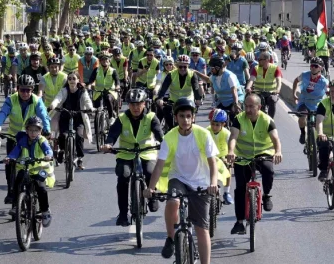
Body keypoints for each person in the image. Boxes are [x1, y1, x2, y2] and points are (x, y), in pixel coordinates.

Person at [147, 98, 219, 264]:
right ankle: (171, 238)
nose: (185, 120)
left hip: (201, 181)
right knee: (172, 202)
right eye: (181, 116)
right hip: (178, 178)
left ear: (193, 117)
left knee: (202, 229)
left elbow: (212, 162)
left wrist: (213, 183)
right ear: (176, 117)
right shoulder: (170, 137)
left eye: (188, 116)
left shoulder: (203, 134)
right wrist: (150, 188)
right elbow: (159, 165)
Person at [105, 87, 164, 226]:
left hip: (146, 151)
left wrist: (163, 143)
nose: (136, 107)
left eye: (138, 104)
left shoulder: (151, 117)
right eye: (132, 104)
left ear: (144, 104)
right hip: (126, 153)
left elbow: (159, 134)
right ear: (128, 105)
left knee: (150, 172)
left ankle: (152, 196)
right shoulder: (122, 118)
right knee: (123, 177)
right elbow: (112, 134)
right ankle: (123, 214)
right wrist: (108, 144)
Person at [226, 93, 283, 234]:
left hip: (263, 154)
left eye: (251, 106)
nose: (248, 109)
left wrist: (277, 152)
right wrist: (231, 151)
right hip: (243, 156)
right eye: (246, 106)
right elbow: (233, 137)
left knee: (268, 170)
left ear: (259, 107)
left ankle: (267, 195)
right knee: (240, 189)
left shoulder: (267, 120)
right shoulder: (239, 119)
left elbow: (276, 139)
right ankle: (239, 222)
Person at [0, 74, 52, 203]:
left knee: (32, 163)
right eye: (22, 90)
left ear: (32, 90)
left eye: (28, 90)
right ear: (17, 89)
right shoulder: (11, 99)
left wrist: (47, 129)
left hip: (31, 138)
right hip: (14, 137)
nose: (25, 93)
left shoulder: (36, 100)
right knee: (11, 165)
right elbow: (3, 113)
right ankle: (11, 192)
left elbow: (43, 115)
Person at [5, 117, 54, 226]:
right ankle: (16, 205)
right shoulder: (22, 140)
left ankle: (45, 211)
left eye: (36, 130)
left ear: (40, 131)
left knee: (41, 188)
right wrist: (9, 157)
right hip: (25, 168)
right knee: (17, 183)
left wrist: (48, 155)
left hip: (39, 170)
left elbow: (48, 150)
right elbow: (16, 151)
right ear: (26, 131)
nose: (33, 133)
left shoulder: (42, 140)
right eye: (30, 130)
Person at [48, 71, 93, 170]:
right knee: (63, 135)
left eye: (74, 78)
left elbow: (87, 100)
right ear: (67, 81)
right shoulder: (64, 90)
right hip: (65, 116)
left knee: (79, 136)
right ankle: (62, 151)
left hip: (78, 117)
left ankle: (80, 158)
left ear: (78, 80)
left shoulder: (82, 91)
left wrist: (90, 107)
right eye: (70, 79)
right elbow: (58, 98)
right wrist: (53, 105)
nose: (72, 80)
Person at [155, 55, 205, 127]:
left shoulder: (192, 74)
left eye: (185, 67)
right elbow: (163, 88)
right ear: (177, 66)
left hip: (188, 101)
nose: (182, 69)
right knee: (167, 113)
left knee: (191, 121)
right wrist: (160, 98)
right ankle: (170, 129)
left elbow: (196, 88)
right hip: (174, 101)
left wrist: (198, 99)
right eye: (180, 67)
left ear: (188, 65)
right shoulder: (171, 74)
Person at [292, 58, 328, 145]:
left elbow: (329, 93)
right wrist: (294, 94)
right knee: (302, 116)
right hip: (304, 101)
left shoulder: (324, 81)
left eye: (316, 66)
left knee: (318, 123)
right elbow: (296, 81)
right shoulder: (304, 75)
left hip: (317, 104)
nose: (313, 68)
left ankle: (316, 141)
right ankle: (303, 133)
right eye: (312, 65)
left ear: (321, 68)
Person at [208, 110, 233, 205]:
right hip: (210, 156)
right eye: (212, 124)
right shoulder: (206, 132)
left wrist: (230, 157)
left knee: (228, 169)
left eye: (217, 125)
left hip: (223, 156)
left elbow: (231, 147)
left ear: (223, 124)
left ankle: (226, 192)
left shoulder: (227, 134)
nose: (214, 127)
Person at [248, 50, 281, 117]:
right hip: (259, 93)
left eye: (260, 59)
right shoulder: (256, 68)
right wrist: (248, 87)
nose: (258, 61)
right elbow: (251, 79)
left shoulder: (275, 68)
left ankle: (271, 120)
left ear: (266, 60)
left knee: (272, 100)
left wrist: (277, 90)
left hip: (271, 93)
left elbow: (279, 82)